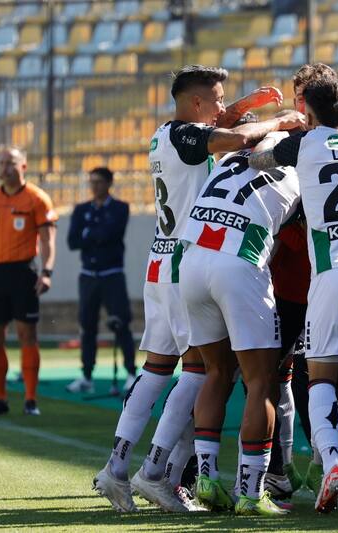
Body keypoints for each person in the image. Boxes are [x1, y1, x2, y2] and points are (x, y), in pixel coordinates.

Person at [93, 64, 303, 514]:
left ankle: (120, 466)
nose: (225, 107)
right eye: (219, 98)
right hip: (190, 256)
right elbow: (231, 139)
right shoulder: (183, 136)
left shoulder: (164, 135)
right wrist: (279, 123)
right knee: (200, 373)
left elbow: (222, 126)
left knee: (158, 368)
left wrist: (244, 107)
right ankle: (155, 473)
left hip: (165, 259)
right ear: (195, 104)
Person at [249, 78, 338, 517]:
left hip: (335, 274)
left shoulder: (305, 143)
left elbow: (259, 159)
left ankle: (331, 467)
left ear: (309, 116)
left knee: (321, 379)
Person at [178, 110, 302, 517]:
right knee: (260, 380)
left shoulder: (228, 158)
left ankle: (208, 481)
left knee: (215, 372)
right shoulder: (300, 167)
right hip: (240, 261)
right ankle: (250, 491)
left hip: (193, 262)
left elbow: (236, 127)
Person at [0, 146, 57, 417]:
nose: (5, 168)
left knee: (27, 334)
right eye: (2, 163)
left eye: (11, 163)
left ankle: (30, 399)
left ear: (23, 166)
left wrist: (47, 271)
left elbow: (48, 241)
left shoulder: (37, 199)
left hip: (23, 273)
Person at [66, 167, 135, 393]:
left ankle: (131, 373)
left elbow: (110, 235)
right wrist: (95, 235)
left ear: (108, 184)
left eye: (98, 182)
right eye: (91, 182)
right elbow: (73, 241)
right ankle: (86, 376)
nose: (94, 186)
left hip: (112, 275)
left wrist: (89, 234)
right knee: (87, 326)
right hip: (88, 277)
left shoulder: (120, 208)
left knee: (121, 323)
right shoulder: (81, 210)